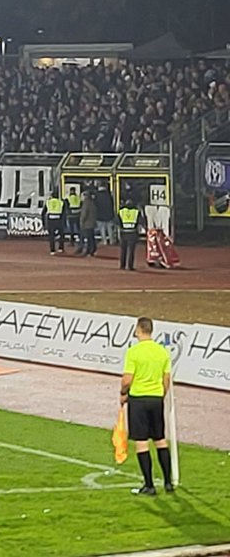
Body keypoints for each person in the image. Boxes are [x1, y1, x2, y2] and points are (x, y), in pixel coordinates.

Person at [121, 316, 174, 495]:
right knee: (160, 439)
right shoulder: (162, 351)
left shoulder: (133, 352)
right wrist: (161, 394)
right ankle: (168, 482)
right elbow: (166, 379)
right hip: (156, 398)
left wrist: (123, 393)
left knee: (141, 442)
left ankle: (149, 485)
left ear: (139, 329)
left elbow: (127, 379)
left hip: (138, 400)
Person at [118, 194, 144, 272]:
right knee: (131, 251)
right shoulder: (136, 211)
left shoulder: (121, 211)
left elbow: (117, 222)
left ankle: (122, 265)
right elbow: (141, 222)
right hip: (133, 233)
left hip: (123, 232)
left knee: (123, 250)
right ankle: (130, 266)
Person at [42, 190, 66, 255]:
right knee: (61, 235)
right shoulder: (61, 202)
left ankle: (52, 250)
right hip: (59, 219)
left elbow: (43, 213)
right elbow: (64, 213)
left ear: (51, 196)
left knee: (51, 236)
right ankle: (61, 248)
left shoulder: (48, 202)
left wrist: (43, 222)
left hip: (51, 220)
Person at [77, 185, 98, 257]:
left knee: (88, 238)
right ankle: (92, 250)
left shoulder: (86, 203)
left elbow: (84, 213)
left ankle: (89, 251)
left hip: (87, 223)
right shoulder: (92, 202)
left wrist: (81, 221)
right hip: (92, 222)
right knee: (91, 237)